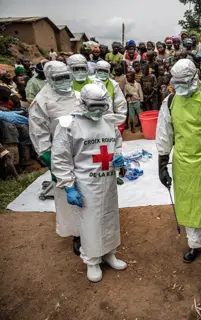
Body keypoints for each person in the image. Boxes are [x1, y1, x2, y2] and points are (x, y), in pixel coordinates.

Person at [156, 59, 201, 263]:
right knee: (188, 203)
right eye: (176, 82)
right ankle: (195, 243)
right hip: (183, 162)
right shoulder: (170, 102)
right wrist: (162, 166)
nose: (180, 87)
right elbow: (164, 134)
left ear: (195, 78)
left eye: (184, 82)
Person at [51, 84, 127, 283]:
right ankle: (92, 260)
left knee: (110, 217)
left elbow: (116, 144)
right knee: (91, 221)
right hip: (86, 183)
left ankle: (109, 253)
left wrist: (118, 157)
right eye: (94, 106)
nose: (98, 110)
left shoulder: (108, 122)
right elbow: (60, 158)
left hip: (108, 179)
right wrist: (68, 186)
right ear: (83, 103)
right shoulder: (69, 125)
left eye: (102, 106)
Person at [28, 61, 81, 255]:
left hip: (83, 154)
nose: (64, 81)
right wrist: (52, 162)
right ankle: (77, 235)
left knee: (89, 193)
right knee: (69, 198)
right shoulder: (42, 102)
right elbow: (39, 134)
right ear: (50, 79)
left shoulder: (77, 96)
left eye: (67, 76)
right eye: (59, 78)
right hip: (60, 157)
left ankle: (92, 228)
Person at [94, 60, 127, 125]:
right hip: (92, 118)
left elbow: (120, 103)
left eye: (105, 71)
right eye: (100, 70)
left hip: (109, 118)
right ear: (96, 70)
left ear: (109, 72)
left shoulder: (113, 84)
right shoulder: (90, 81)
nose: (102, 73)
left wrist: (119, 119)